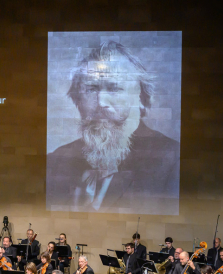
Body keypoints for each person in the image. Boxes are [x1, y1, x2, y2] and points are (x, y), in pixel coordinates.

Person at [46, 41, 179, 214]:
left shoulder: (173, 161)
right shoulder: (55, 162)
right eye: (91, 89)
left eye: (114, 88)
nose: (101, 102)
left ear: (140, 98)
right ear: (77, 100)